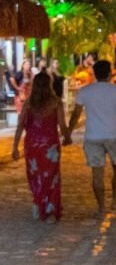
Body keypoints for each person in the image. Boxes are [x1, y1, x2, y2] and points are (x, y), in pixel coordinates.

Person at [66, 60, 116, 217]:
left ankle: (102, 208)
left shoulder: (85, 91)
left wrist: (68, 134)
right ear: (110, 73)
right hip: (114, 136)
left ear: (95, 74)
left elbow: (75, 115)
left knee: (97, 174)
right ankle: (115, 202)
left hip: (92, 137)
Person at [11, 72, 70, 222]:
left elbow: (20, 126)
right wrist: (67, 137)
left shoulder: (29, 103)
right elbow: (62, 125)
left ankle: (38, 202)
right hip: (50, 145)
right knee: (52, 177)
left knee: (35, 176)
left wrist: (15, 147)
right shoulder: (56, 102)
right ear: (49, 85)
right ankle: (49, 209)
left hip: (33, 145)